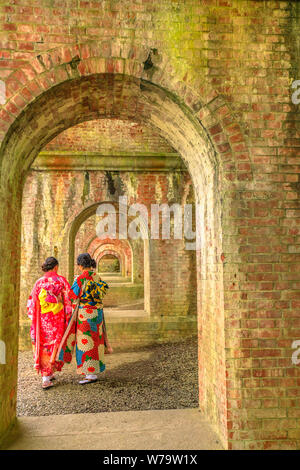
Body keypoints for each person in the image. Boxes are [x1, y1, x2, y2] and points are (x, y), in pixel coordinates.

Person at [57, 253, 111, 384]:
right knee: (96, 342)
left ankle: (89, 374)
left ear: (80, 266)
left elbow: (73, 295)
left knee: (85, 343)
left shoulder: (80, 278)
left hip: (85, 314)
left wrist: (65, 293)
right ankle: (93, 371)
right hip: (97, 313)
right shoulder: (97, 277)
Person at [27, 257, 72, 389]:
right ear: (56, 267)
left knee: (44, 345)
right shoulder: (61, 280)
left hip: (43, 319)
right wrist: (67, 315)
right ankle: (46, 378)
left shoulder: (39, 282)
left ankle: (48, 373)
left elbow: (32, 302)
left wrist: (33, 316)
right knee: (55, 343)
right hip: (57, 318)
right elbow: (68, 300)